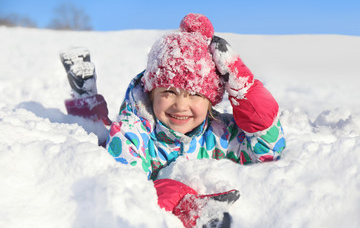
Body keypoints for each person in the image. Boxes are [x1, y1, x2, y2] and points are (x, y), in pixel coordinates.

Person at [60, 13, 286, 228]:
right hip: (127, 146)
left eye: (195, 94)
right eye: (168, 91)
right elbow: (127, 186)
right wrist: (182, 202)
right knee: (97, 133)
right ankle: (85, 96)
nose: (180, 105)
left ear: (211, 101)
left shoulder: (219, 133)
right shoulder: (133, 132)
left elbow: (267, 148)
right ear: (151, 94)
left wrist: (244, 88)